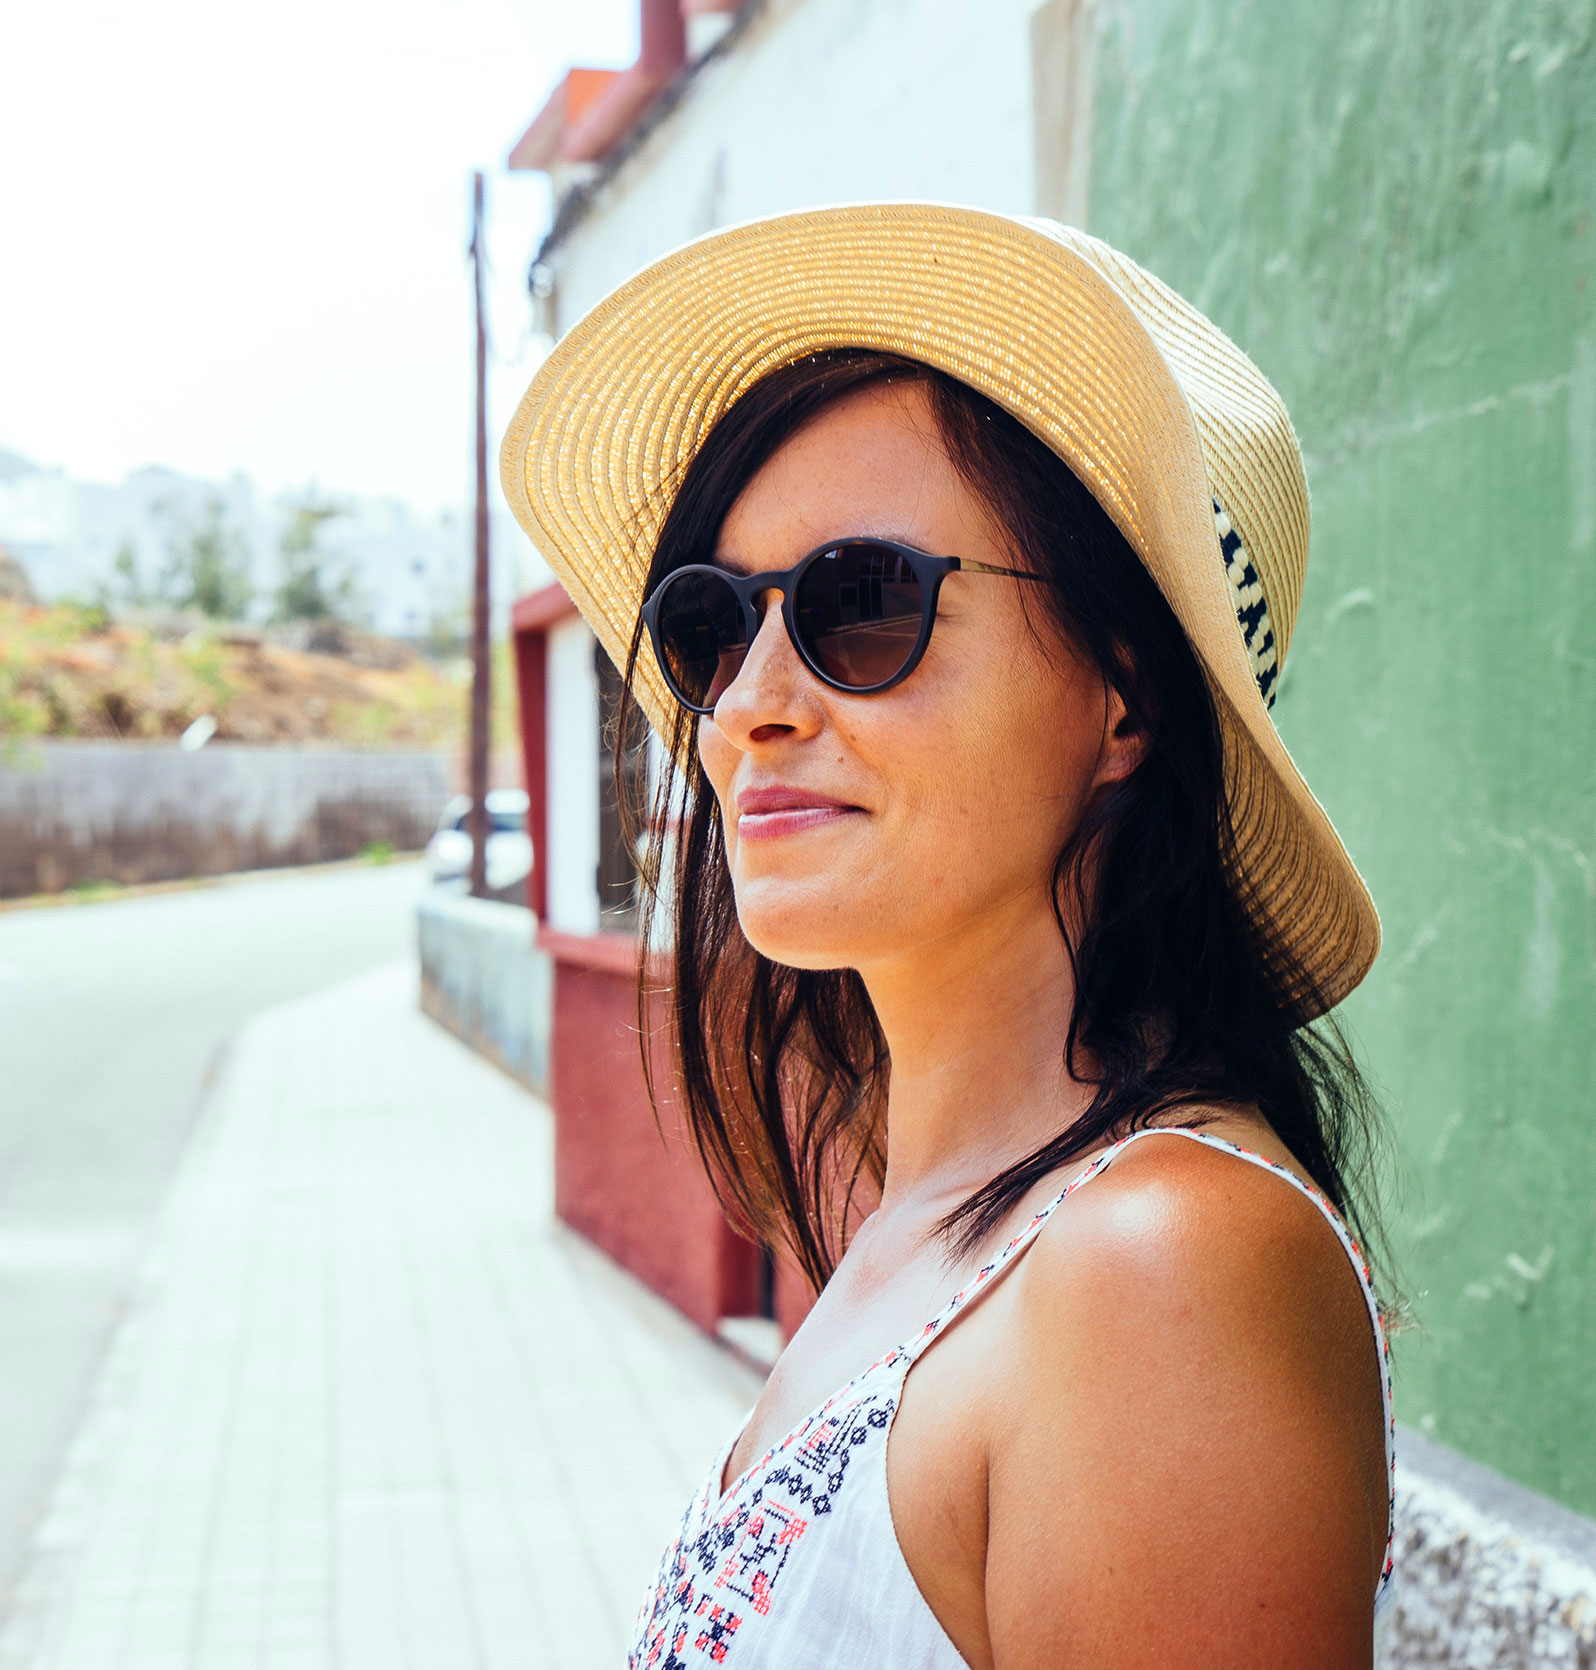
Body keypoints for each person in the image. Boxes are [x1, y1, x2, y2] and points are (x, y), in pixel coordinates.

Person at [503, 205, 1396, 1668]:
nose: (746, 704)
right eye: (711, 624)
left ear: (1128, 694)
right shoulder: (936, 1218)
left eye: (862, 604)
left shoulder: (1154, 1265)